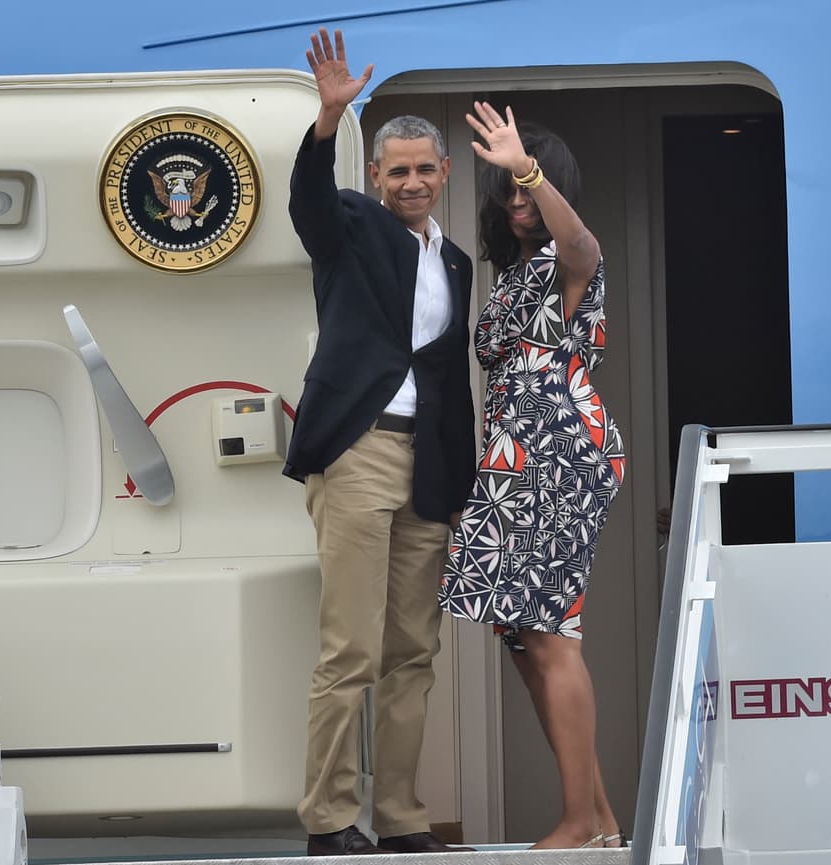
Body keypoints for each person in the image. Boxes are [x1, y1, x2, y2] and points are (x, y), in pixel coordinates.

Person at [283, 28, 477, 857]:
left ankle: (398, 814)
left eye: (423, 169)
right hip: (359, 450)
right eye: (395, 169)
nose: (409, 181)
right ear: (375, 176)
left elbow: (444, 375)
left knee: (413, 653)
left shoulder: (457, 261)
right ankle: (328, 817)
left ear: (442, 177)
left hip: (427, 467)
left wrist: (463, 479)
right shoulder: (353, 227)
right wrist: (328, 121)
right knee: (351, 648)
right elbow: (308, 208)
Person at [439, 101, 627, 850]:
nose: (518, 203)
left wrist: (527, 165)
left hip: (557, 449)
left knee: (552, 636)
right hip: (510, 459)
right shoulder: (513, 273)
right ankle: (601, 818)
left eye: (528, 188)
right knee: (522, 637)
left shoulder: (569, 254)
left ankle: (579, 820)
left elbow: (577, 240)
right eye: (508, 192)